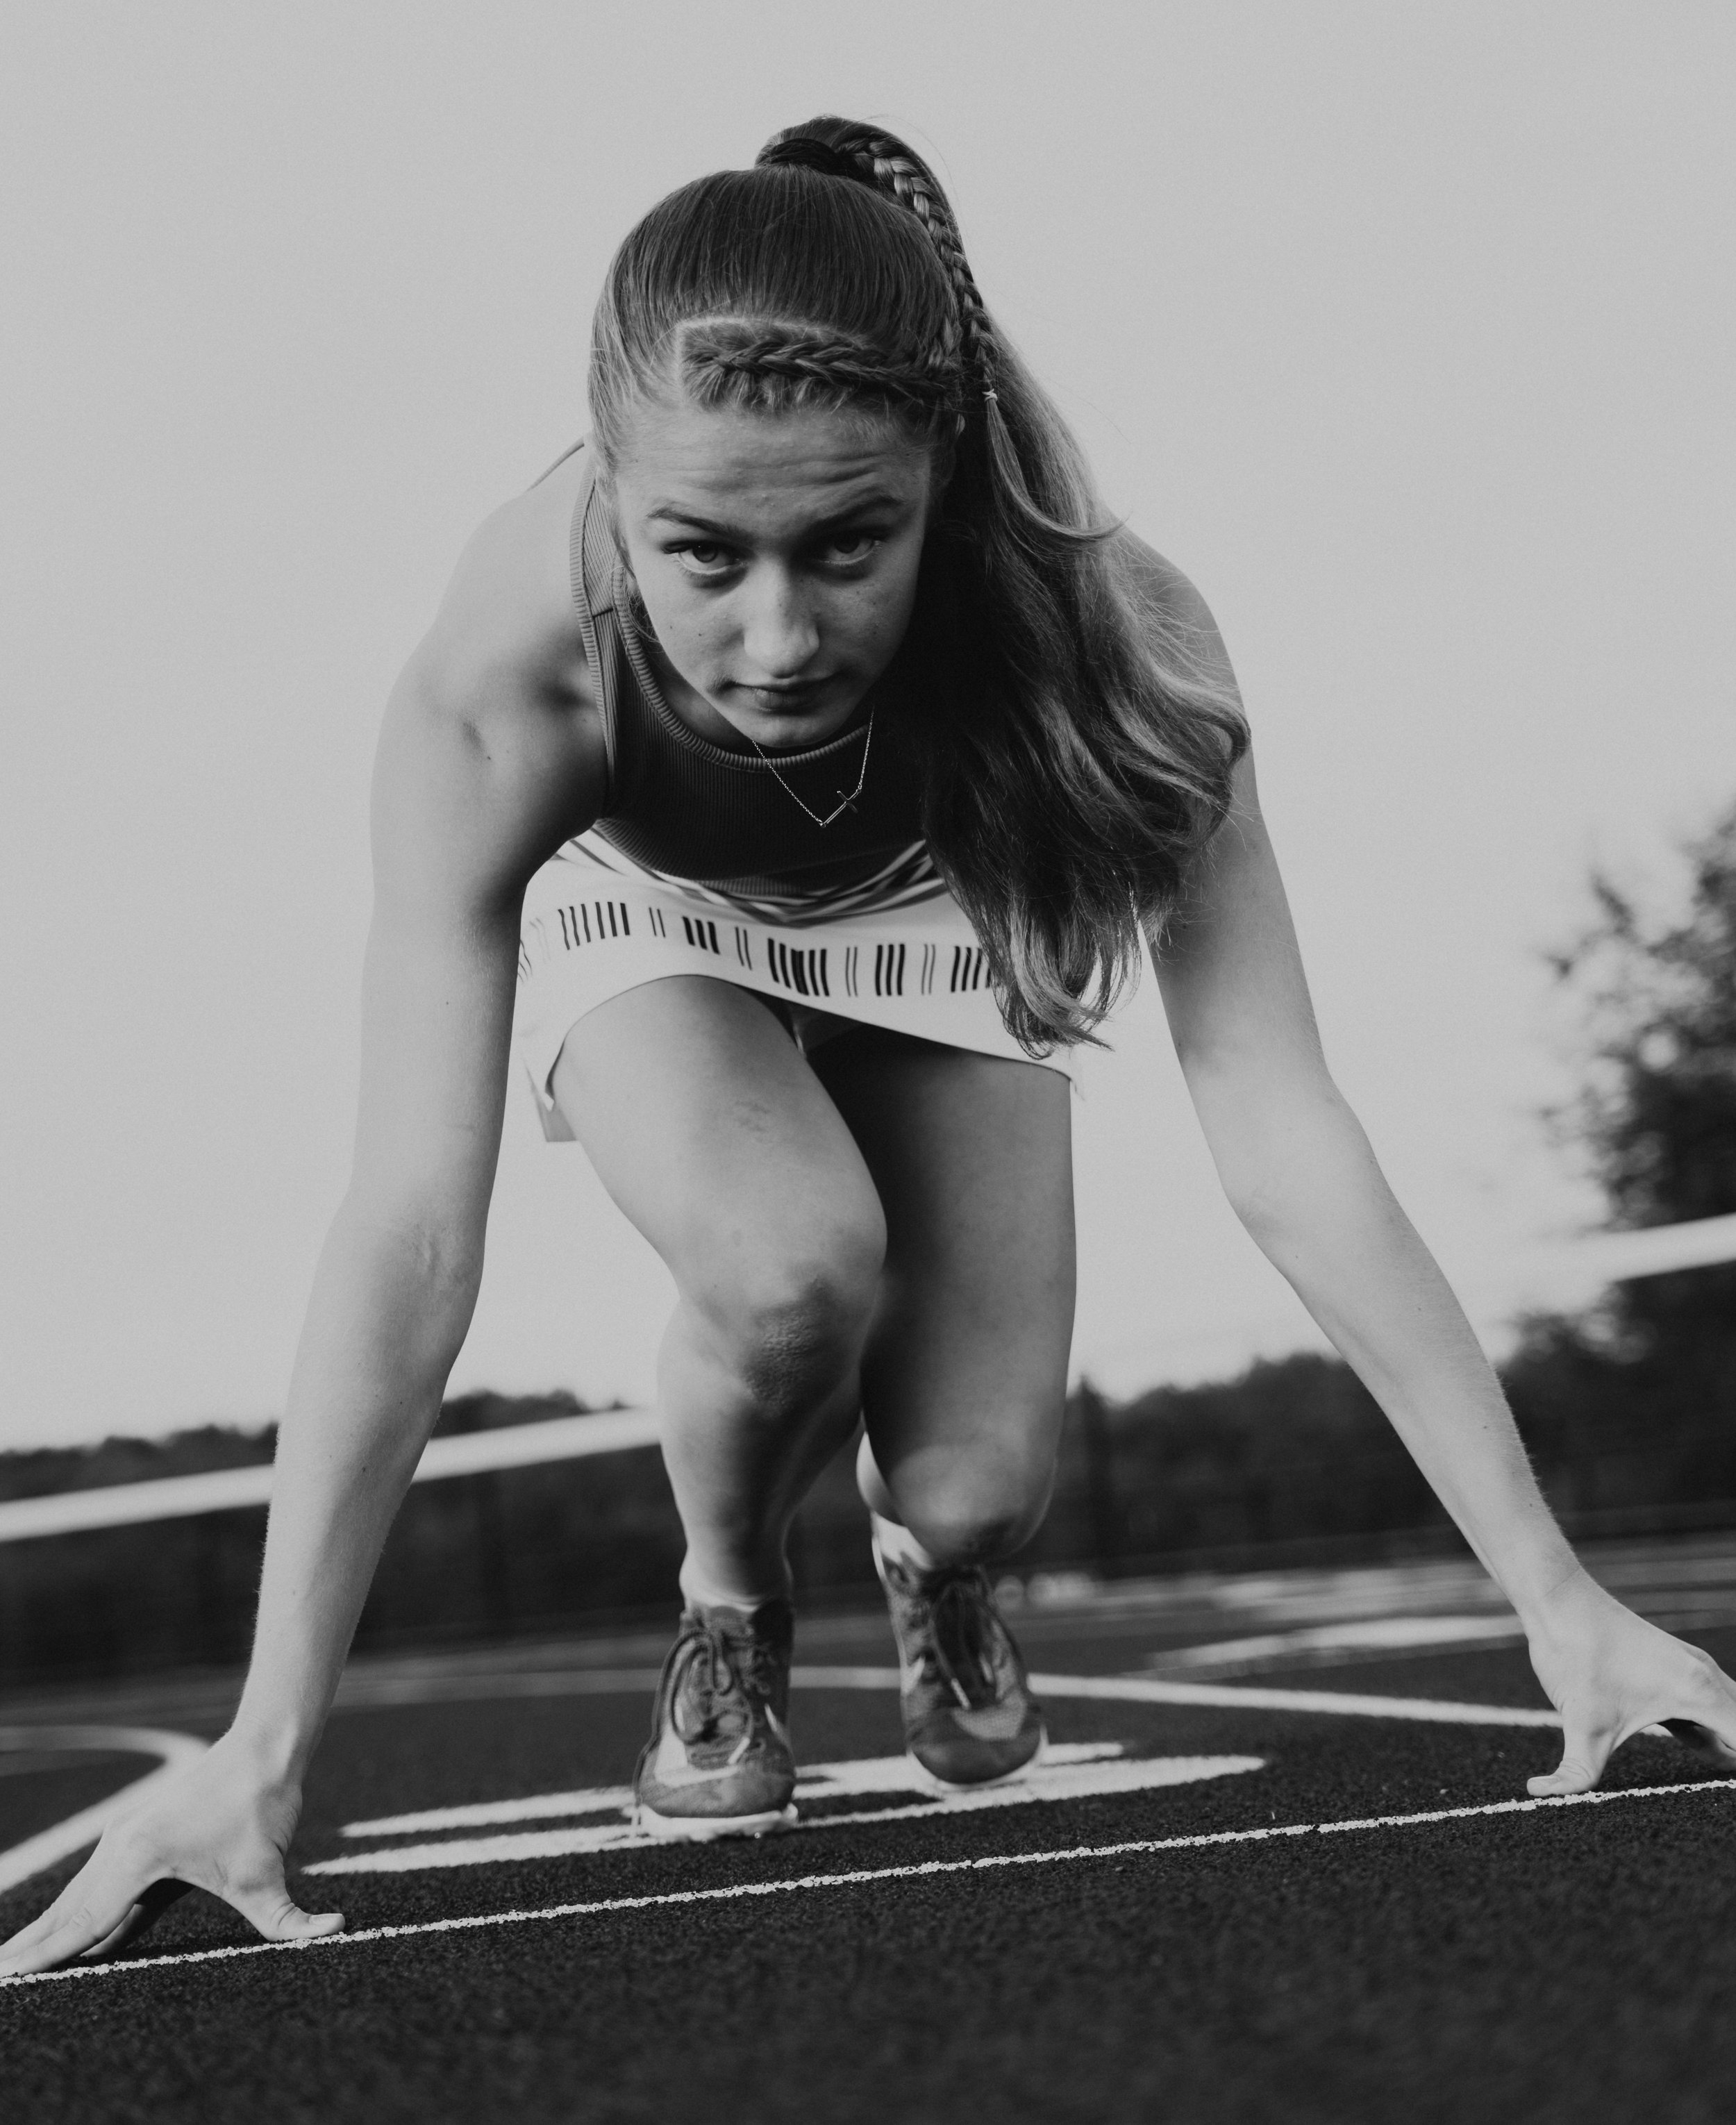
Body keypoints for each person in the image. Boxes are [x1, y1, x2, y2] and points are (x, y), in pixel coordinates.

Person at [5, 114, 1735, 1972]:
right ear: (613, 487)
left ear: (943, 472)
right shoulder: (509, 679)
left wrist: (1556, 1599)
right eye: (700, 553)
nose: (773, 636)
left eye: (847, 545)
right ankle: (729, 1602)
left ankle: (933, 1574)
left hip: (927, 891)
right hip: (648, 888)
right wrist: (263, 1747)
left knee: (984, 1484)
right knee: (788, 1260)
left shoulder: (1115, 645)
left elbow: (1281, 1123)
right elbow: (413, 1221)